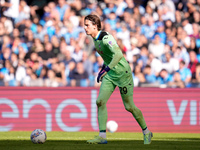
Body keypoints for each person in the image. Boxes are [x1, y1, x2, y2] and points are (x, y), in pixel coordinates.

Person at [84, 14, 153, 144]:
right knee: (100, 101)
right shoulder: (94, 39)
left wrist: (106, 69)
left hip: (123, 74)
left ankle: (147, 132)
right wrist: (104, 68)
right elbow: (108, 57)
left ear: (95, 26)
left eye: (87, 25)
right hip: (111, 75)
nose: (85, 27)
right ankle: (102, 137)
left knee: (129, 107)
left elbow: (118, 54)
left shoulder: (106, 38)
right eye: (85, 24)